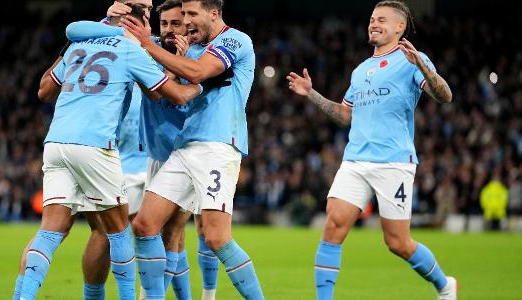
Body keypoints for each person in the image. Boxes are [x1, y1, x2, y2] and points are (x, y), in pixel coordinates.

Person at [16, 5, 216, 300]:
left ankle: (23, 296)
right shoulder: (132, 49)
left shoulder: (78, 44)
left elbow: (45, 91)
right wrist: (201, 84)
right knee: (119, 232)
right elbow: (164, 94)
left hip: (56, 142)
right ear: (143, 20)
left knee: (51, 231)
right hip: (99, 146)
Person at [287, 1, 457, 299]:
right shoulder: (360, 70)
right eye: (371, 19)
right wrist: (311, 93)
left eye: (381, 19)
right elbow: (345, 115)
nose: (373, 24)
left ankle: (444, 285)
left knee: (398, 243)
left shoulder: (411, 60)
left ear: (399, 27)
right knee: (333, 226)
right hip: (355, 160)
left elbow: (444, 95)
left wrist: (422, 67)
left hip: (393, 162)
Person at [118, 0, 264, 298]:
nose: (185, 21)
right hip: (185, 146)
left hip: (218, 146)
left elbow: (197, 73)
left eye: (192, 14)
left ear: (213, 13)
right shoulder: (191, 48)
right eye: (182, 15)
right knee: (144, 225)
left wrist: (149, 45)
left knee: (215, 237)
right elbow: (173, 90)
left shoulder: (234, 40)